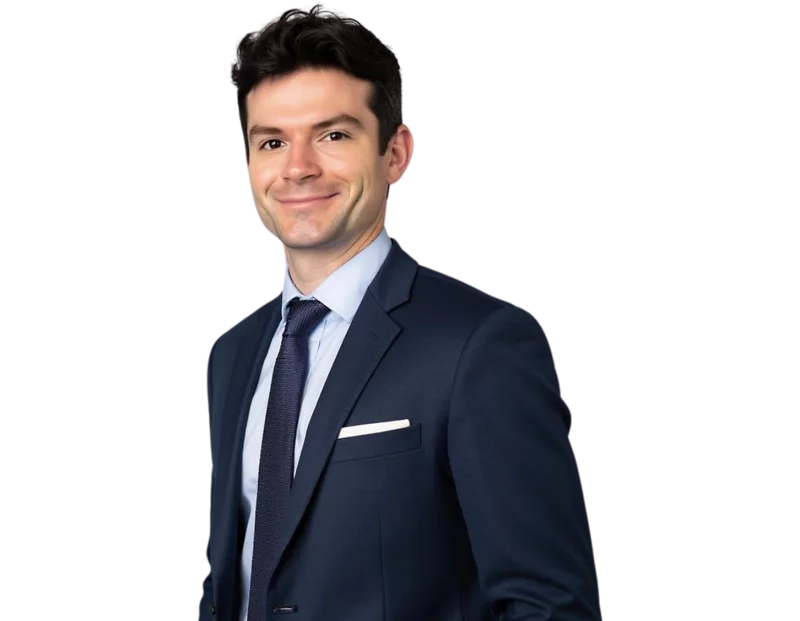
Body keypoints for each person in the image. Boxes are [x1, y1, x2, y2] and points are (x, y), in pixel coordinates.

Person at [201, 5, 602, 620]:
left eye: (334, 135)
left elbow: (548, 605)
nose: (299, 166)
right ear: (249, 165)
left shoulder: (480, 345)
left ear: (396, 152)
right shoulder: (235, 355)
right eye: (273, 141)